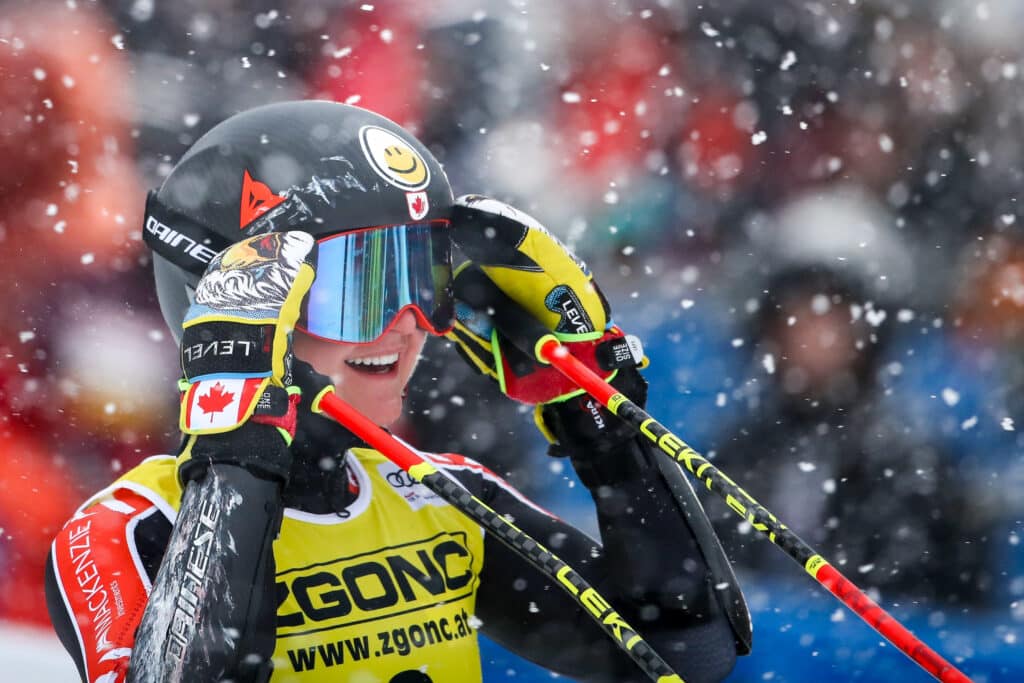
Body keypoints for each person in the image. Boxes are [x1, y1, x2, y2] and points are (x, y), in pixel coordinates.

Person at [43, 100, 750, 683]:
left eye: (420, 281)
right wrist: (238, 441)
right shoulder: (130, 526)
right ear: (234, 308)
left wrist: (598, 419)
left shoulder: (440, 495)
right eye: (357, 287)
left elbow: (689, 651)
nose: (407, 325)